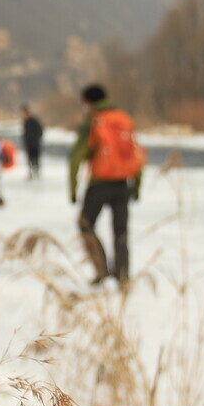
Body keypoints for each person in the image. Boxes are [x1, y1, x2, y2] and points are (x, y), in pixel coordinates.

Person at [68, 84, 145, 285]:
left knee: (85, 223)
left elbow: (77, 155)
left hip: (99, 184)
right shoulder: (124, 119)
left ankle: (101, 270)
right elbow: (134, 153)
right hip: (123, 183)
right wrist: (136, 185)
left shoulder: (94, 121)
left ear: (88, 102)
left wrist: (73, 187)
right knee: (121, 231)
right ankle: (123, 276)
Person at [21, 105, 44, 179]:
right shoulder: (25, 122)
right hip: (28, 145)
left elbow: (40, 131)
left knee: (36, 159)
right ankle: (31, 173)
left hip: (35, 144)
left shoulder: (34, 121)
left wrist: (35, 139)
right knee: (29, 160)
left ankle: (37, 173)